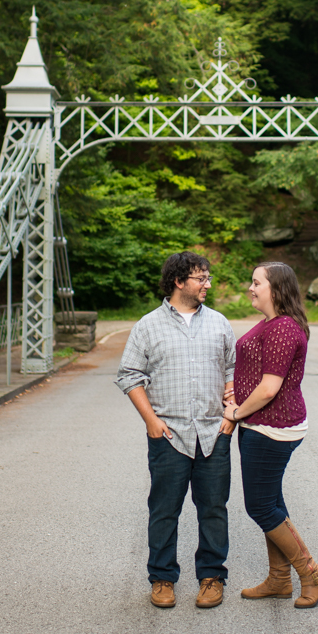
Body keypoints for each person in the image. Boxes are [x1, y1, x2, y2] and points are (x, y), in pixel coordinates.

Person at [116, 251, 237, 610]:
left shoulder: (219, 323)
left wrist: (230, 416)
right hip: (169, 435)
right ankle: (162, 579)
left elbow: (233, 371)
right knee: (164, 510)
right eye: (201, 278)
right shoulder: (147, 326)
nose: (207, 285)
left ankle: (212, 577)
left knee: (214, 508)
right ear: (178, 281)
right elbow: (129, 376)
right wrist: (151, 422)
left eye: (208, 278)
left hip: (214, 433)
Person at [223, 261, 318, 609]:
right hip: (262, 424)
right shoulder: (272, 323)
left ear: (277, 288)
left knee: (261, 505)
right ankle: (279, 580)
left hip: (272, 428)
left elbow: (269, 388)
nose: (250, 288)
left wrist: (237, 412)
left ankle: (310, 571)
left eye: (257, 283)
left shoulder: (283, 328)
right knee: (271, 502)